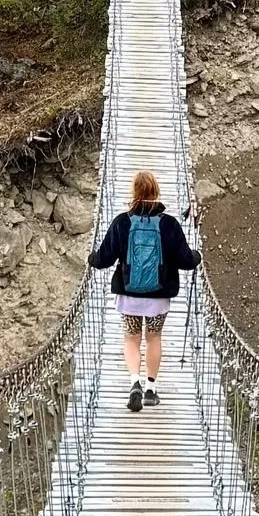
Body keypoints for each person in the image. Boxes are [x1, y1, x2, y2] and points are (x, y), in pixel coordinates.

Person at [88, 169, 200, 411]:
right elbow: (185, 261)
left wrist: (92, 258)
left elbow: (104, 259)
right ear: (156, 192)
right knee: (154, 338)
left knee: (131, 338)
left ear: (134, 192)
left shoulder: (122, 222)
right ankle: (151, 389)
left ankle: (134, 382)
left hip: (129, 294)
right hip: (158, 297)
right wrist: (196, 255)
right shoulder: (169, 224)